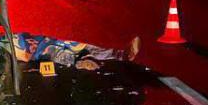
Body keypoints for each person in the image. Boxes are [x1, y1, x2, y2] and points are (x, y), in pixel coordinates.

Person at [11, 32, 140, 70]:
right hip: (43, 49)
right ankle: (121, 54)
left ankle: (121, 53)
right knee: (62, 52)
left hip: (50, 40)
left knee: (83, 45)